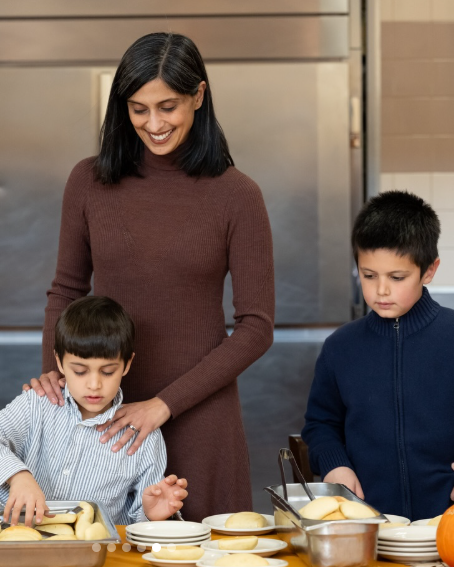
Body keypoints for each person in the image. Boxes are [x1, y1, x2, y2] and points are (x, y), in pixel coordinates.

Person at [24, 32, 275, 522]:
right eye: (139, 109)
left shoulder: (237, 195)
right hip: (106, 417)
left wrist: (164, 404)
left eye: (168, 107)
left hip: (201, 420)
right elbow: (67, 290)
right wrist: (58, 376)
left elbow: (256, 326)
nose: (154, 124)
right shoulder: (88, 181)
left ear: (198, 96)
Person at [302, 190, 454, 521]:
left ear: (429, 270)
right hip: (369, 527)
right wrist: (334, 463)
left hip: (453, 525)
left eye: (397, 277)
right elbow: (320, 424)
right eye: (368, 275)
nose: (381, 290)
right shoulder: (340, 347)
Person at [0, 296, 188, 527]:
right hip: (24, 545)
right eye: (80, 371)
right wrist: (18, 476)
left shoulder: (143, 434)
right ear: (59, 362)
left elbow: (137, 526)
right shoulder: (37, 405)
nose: (94, 384)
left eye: (108, 371)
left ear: (127, 364)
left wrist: (152, 515)